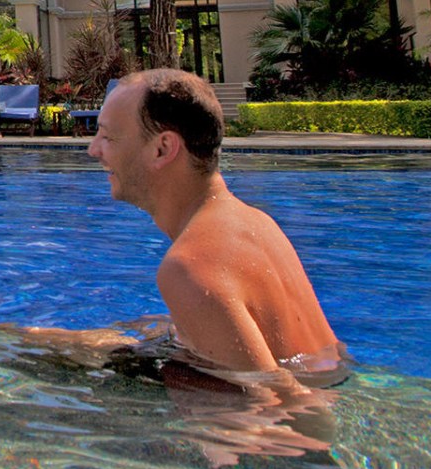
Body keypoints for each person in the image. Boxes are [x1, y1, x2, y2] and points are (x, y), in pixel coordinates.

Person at [82, 69, 342, 375]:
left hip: (293, 413)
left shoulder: (189, 267)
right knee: (81, 346)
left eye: (108, 136)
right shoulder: (256, 223)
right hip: (332, 387)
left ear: (162, 148)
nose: (93, 150)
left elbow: (268, 408)